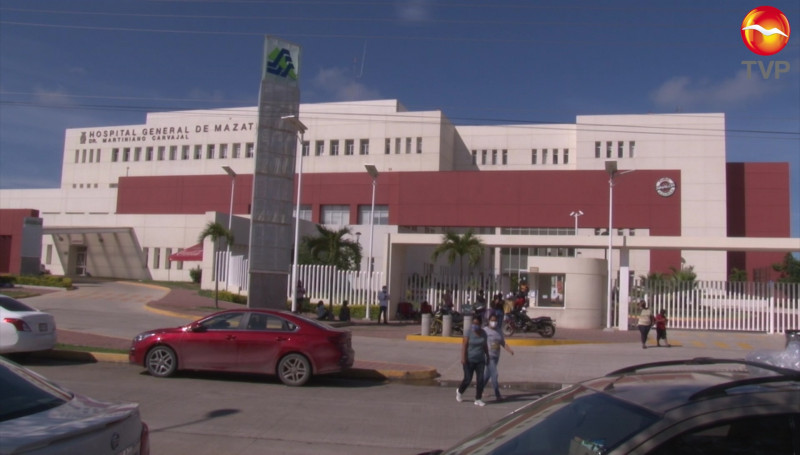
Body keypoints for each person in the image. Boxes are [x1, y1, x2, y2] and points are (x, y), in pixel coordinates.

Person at [456, 313, 489, 407]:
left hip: (480, 360)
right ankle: (459, 391)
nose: (475, 325)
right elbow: (464, 345)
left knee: (480, 380)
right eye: (473, 323)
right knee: (468, 379)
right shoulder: (468, 332)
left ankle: (478, 399)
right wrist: (463, 358)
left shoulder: (483, 333)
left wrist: (488, 356)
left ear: (480, 324)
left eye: (477, 324)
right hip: (469, 360)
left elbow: (485, 346)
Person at [483, 313, 514, 401]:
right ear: (489, 321)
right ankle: (498, 395)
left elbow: (502, 342)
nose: (494, 322)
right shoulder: (485, 330)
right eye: (492, 320)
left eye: (495, 320)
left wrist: (509, 350)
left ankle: (479, 389)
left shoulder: (499, 331)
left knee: (487, 375)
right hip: (488, 356)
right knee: (495, 374)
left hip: (496, 356)